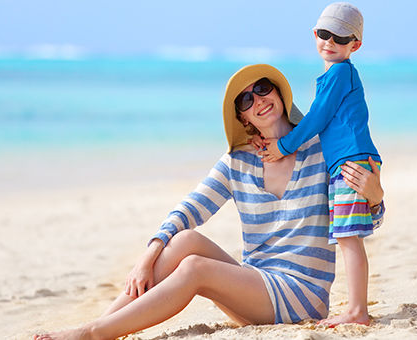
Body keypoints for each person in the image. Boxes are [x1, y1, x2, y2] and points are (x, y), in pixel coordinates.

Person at [33, 64, 384, 340]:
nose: (258, 100)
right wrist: (148, 253)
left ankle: (95, 334)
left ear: (279, 93)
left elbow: (357, 218)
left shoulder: (321, 150)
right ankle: (102, 323)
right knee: (185, 240)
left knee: (195, 269)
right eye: (246, 100)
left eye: (263, 88)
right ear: (242, 118)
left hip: (301, 295)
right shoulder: (238, 162)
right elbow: (189, 209)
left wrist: (375, 196)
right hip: (255, 285)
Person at [257, 2, 382, 327]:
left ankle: (357, 311)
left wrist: (283, 145)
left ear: (355, 45)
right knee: (346, 235)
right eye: (324, 34)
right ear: (315, 34)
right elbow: (320, 121)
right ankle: (357, 308)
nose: (329, 42)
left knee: (347, 238)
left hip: (351, 163)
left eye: (339, 38)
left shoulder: (341, 73)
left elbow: (318, 117)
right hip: (347, 162)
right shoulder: (335, 74)